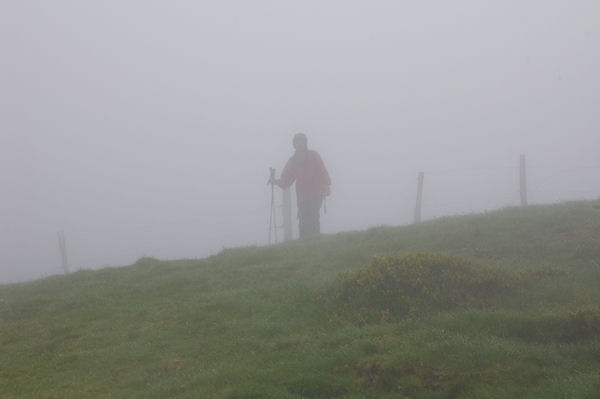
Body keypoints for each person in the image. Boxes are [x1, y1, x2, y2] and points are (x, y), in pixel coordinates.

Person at [272, 133, 331, 237]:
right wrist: (275, 182)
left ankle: (313, 244)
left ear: (305, 143)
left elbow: (322, 171)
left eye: (301, 142)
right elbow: (286, 180)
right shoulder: (293, 161)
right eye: (297, 142)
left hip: (315, 194)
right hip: (302, 197)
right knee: (303, 222)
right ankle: (307, 244)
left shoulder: (313, 155)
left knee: (313, 219)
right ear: (294, 145)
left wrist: (327, 184)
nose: (299, 144)